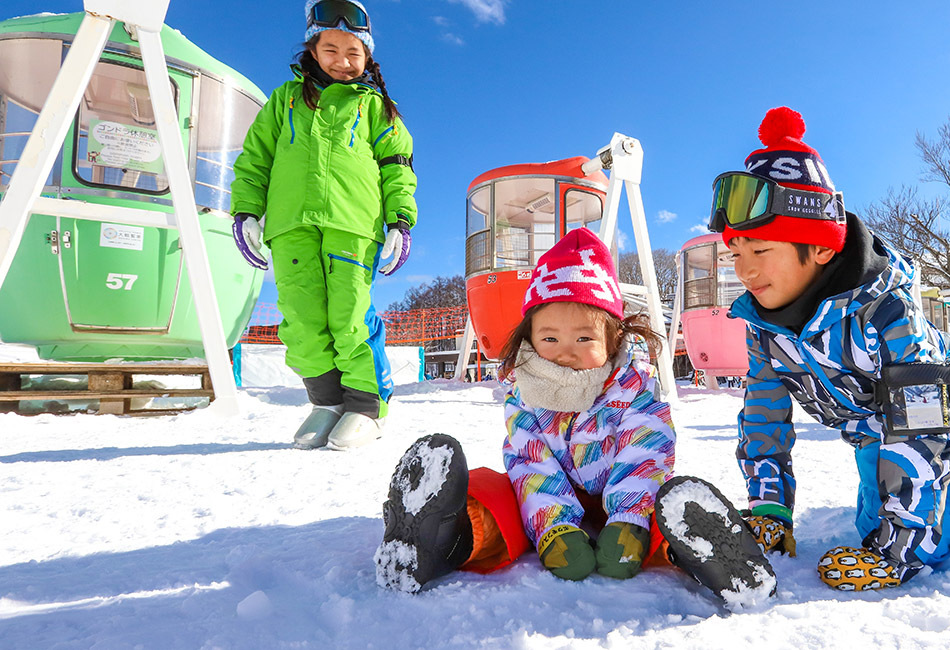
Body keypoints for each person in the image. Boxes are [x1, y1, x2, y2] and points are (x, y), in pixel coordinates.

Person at [715, 107, 950, 592]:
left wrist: (899, 553)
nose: (745, 271)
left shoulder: (887, 307)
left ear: (822, 248)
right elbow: (763, 417)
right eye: (737, 253)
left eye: (761, 251)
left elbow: (921, 422)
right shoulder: (762, 326)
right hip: (880, 435)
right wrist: (769, 507)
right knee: (921, 530)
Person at [373, 229, 776, 605]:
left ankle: (701, 552)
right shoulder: (526, 393)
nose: (565, 350)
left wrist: (630, 518)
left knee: (664, 507)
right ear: (529, 338)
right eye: (550, 338)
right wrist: (553, 527)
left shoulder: (631, 388)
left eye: (584, 338)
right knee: (494, 494)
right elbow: (530, 460)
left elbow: (645, 449)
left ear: (614, 337)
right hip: (544, 496)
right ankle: (444, 536)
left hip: (625, 492)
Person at [229, 0, 417, 449]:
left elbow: (397, 166)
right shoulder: (285, 100)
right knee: (300, 317)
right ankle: (327, 402)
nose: (342, 61)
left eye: (353, 52)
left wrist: (400, 221)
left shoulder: (376, 107)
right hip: (292, 223)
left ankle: (367, 407)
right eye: (331, 49)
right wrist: (247, 211)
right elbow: (256, 159)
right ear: (313, 50)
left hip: (352, 223)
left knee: (348, 316)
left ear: (367, 56)